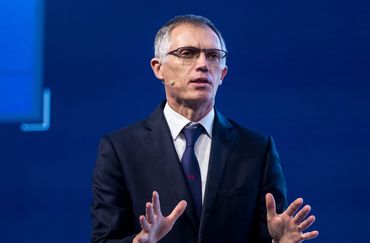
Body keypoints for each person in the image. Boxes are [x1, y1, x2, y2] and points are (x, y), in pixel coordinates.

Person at [91, 14, 318, 243]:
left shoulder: (257, 150)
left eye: (213, 56)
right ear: (158, 68)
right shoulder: (120, 149)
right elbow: (104, 239)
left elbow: (266, 234)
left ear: (223, 74)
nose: (202, 64)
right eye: (187, 53)